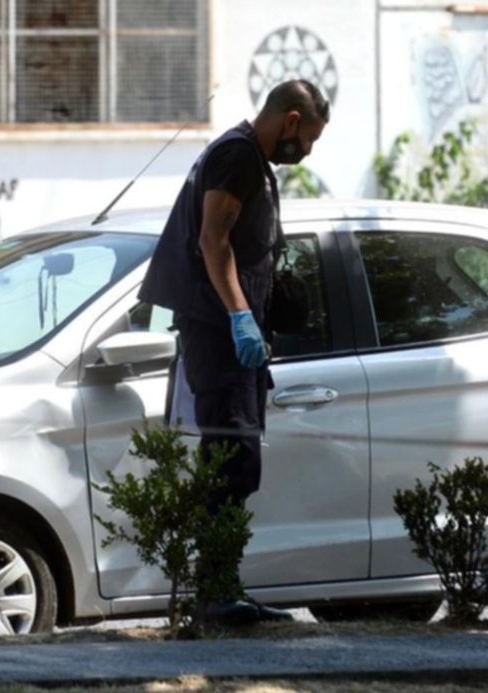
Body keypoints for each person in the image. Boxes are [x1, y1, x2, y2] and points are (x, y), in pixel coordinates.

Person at [139, 79, 331, 625]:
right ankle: (215, 597)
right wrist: (240, 315)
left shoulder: (247, 159)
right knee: (229, 460)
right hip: (220, 334)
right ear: (291, 120)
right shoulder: (237, 156)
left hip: (232, 338)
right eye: (309, 138)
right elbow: (212, 240)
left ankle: (222, 589)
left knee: (237, 462)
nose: (308, 151)